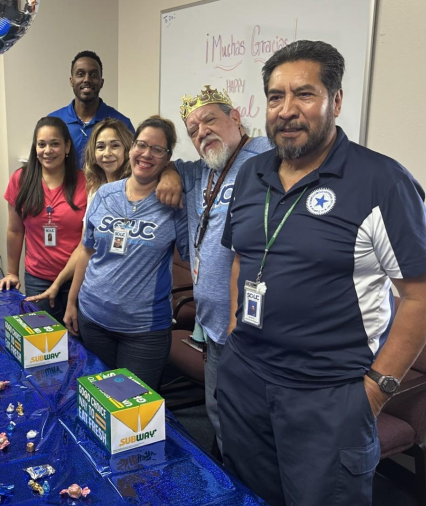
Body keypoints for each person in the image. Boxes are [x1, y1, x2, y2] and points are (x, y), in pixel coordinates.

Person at [218, 40, 426, 506]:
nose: (286, 109)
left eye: (304, 93)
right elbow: (241, 258)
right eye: (275, 96)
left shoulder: (381, 182)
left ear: (336, 100)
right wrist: (232, 335)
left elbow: (423, 296)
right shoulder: (251, 175)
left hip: (327, 398)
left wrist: (373, 392)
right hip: (248, 383)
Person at [154, 85, 272, 454]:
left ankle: (255, 497)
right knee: (218, 410)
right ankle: (229, 483)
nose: (201, 131)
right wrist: (171, 173)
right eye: (193, 129)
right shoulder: (203, 170)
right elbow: (162, 162)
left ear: (235, 117)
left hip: (253, 327)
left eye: (209, 120)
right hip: (213, 322)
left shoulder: (266, 155)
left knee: (253, 422)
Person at [63, 116, 187, 390]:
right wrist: (72, 303)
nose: (146, 154)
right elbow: (86, 251)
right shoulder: (105, 194)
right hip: (93, 318)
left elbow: (193, 254)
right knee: (97, 397)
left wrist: (174, 175)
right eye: (141, 145)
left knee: (130, 410)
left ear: (168, 158)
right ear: (132, 148)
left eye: (158, 149)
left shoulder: (174, 202)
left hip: (144, 331)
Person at [25, 118, 134, 311]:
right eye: (100, 147)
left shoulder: (140, 187)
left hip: (130, 297)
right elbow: (86, 248)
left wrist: (170, 174)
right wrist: (67, 297)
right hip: (95, 290)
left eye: (115, 145)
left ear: (128, 148)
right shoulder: (94, 190)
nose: (107, 153)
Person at [0, 117, 87, 323]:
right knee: (44, 346)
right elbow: (15, 231)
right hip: (38, 278)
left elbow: (87, 241)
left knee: (79, 344)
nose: (47, 150)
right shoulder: (21, 179)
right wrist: (11, 272)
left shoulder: (86, 182)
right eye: (41, 144)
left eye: (55, 143)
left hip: (79, 278)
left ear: (67, 146)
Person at [50, 51, 134, 167]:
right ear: (71, 81)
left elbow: (135, 165)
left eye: (93, 75)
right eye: (80, 74)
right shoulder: (53, 121)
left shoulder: (122, 123)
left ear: (101, 82)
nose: (87, 80)